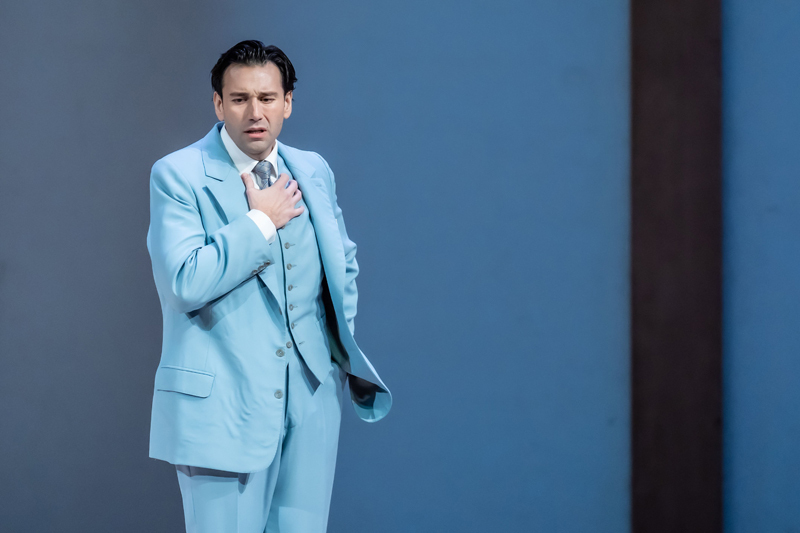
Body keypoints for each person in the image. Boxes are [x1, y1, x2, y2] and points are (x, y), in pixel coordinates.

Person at [146, 40, 391, 533]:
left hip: (312, 400)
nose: (254, 113)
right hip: (223, 406)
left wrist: (326, 353)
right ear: (218, 103)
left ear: (288, 102)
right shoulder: (178, 175)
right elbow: (184, 281)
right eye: (239, 99)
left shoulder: (313, 168)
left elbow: (342, 261)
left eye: (267, 98)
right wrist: (260, 222)